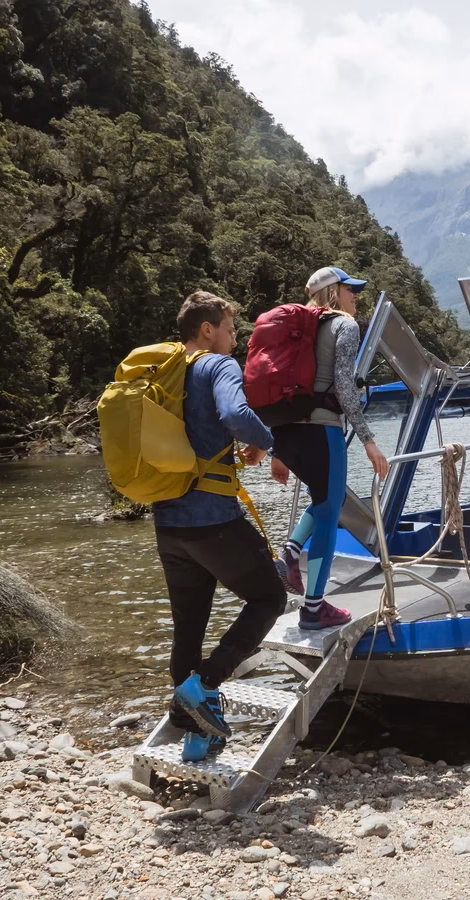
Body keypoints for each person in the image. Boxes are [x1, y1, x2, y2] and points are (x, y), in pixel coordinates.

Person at [153, 290, 287, 761]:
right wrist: (265, 443)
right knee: (270, 597)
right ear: (206, 330)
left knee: (188, 628)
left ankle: (196, 737)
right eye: (230, 330)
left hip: (168, 525)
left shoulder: (165, 373)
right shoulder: (216, 366)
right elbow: (235, 414)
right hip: (212, 520)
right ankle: (205, 686)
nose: (235, 339)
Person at [257, 266, 389, 630]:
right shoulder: (344, 326)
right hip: (322, 431)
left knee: (324, 502)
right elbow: (345, 388)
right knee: (331, 514)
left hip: (288, 432)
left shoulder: (298, 329)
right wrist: (369, 441)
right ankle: (314, 609)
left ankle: (289, 557)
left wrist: (278, 451)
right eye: (350, 289)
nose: (356, 296)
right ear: (333, 293)